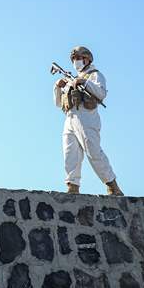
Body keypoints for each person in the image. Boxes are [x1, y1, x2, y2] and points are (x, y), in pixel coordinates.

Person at [53, 46, 124, 196]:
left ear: (87, 59)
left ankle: (112, 185)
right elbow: (59, 103)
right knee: (70, 152)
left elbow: (101, 93)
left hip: (87, 117)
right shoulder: (70, 79)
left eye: (78, 58)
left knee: (93, 152)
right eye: (74, 59)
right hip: (70, 118)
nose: (76, 62)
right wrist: (58, 87)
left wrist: (83, 83)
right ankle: (72, 185)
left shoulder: (94, 75)